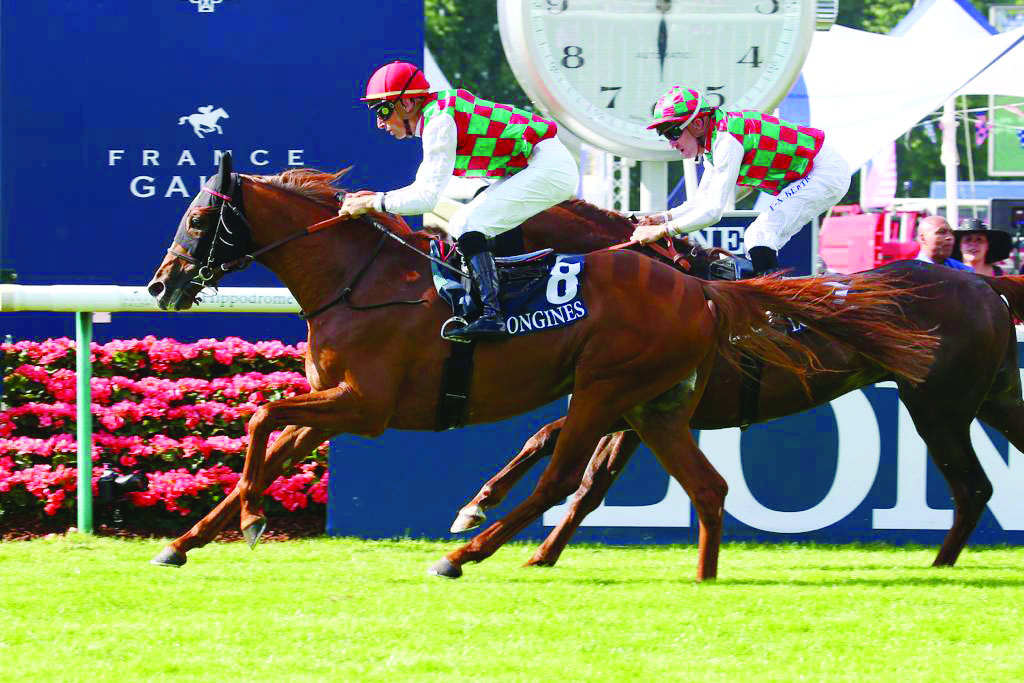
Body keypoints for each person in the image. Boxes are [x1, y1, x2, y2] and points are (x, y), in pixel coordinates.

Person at [337, 60, 580, 341]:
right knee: (460, 224)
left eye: (383, 109)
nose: (380, 122)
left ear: (407, 104)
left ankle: (493, 315)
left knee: (466, 222)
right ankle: (496, 304)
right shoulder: (435, 115)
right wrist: (376, 200)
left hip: (548, 165)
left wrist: (372, 203)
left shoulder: (439, 120)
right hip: (533, 164)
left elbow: (425, 198)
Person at [630, 86, 851, 276]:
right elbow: (700, 202)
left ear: (697, 124)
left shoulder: (727, 141)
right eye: (665, 135)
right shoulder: (715, 140)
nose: (671, 143)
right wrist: (661, 218)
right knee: (757, 241)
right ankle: (781, 300)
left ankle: (778, 311)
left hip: (823, 172)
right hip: (813, 172)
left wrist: (663, 231)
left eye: (673, 133)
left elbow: (712, 212)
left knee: (759, 236)